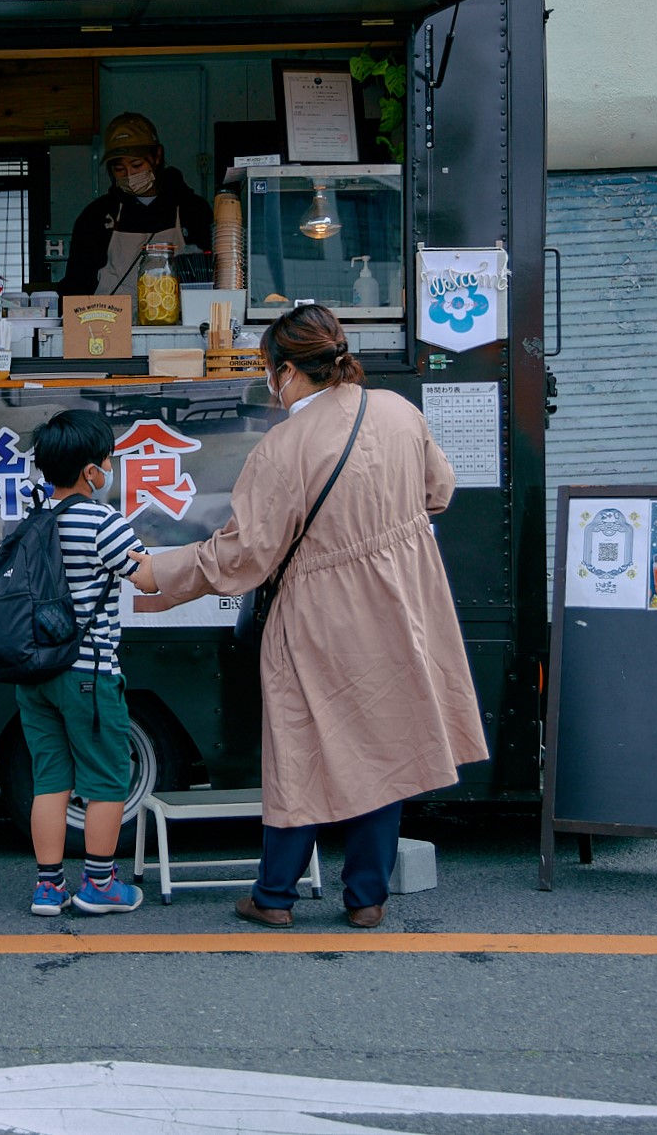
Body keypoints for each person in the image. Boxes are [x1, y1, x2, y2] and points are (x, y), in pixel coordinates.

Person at [133, 306, 487, 930]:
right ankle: (367, 899)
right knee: (388, 744)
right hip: (404, 598)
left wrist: (159, 571)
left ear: (288, 372)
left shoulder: (284, 445)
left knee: (299, 744)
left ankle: (274, 898)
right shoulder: (400, 412)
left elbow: (247, 552)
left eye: (270, 371)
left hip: (321, 610)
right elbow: (440, 491)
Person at [20, 409, 151, 917]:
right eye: (107, 461)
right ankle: (99, 884)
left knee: (50, 777)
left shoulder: (32, 521)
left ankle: (48, 888)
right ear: (90, 471)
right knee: (106, 778)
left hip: (35, 674)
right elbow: (147, 577)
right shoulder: (102, 521)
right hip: (89, 673)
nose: (108, 469)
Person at [59, 112, 214, 298]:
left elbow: (214, 277)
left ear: (157, 155)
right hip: (109, 323)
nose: (130, 175)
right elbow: (77, 284)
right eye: (119, 169)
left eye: (137, 165)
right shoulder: (96, 216)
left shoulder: (192, 209)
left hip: (179, 325)